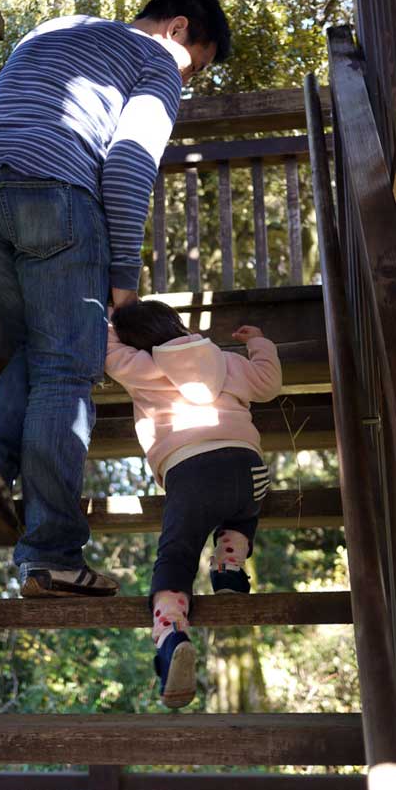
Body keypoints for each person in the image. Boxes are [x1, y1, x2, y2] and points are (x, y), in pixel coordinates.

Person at [0, 0, 231, 598]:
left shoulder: (57, 26)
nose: (189, 79)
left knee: (35, 341)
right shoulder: (155, 58)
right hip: (52, 195)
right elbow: (129, 161)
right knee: (68, 369)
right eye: (196, 66)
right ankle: (51, 554)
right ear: (178, 29)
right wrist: (123, 281)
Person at [106, 299, 282, 708]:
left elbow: (106, 350)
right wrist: (259, 342)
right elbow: (269, 383)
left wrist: (110, 318)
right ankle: (229, 567)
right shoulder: (226, 361)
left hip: (191, 475)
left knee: (178, 555)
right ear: (179, 324)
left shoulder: (141, 367)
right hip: (249, 468)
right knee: (244, 508)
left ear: (134, 342)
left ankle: (171, 636)